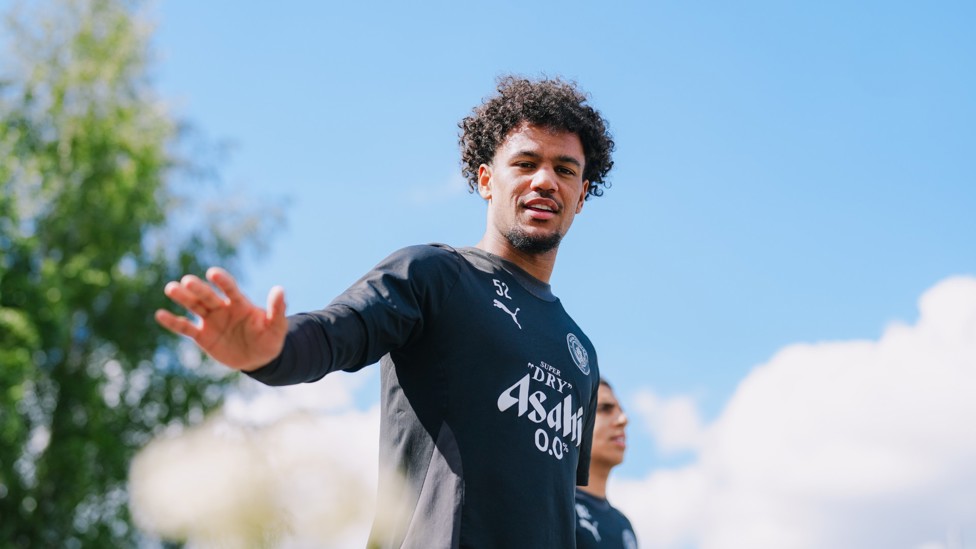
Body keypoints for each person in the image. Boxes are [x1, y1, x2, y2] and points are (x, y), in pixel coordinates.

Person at [155, 75, 615, 549]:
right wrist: (272, 351)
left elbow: (555, 503)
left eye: (564, 169)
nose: (544, 180)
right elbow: (336, 331)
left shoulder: (578, 349)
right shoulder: (436, 275)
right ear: (485, 180)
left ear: (580, 196)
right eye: (525, 163)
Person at [575, 379, 639, 549]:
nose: (623, 420)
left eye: (621, 411)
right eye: (605, 408)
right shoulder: (556, 506)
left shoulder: (624, 526)